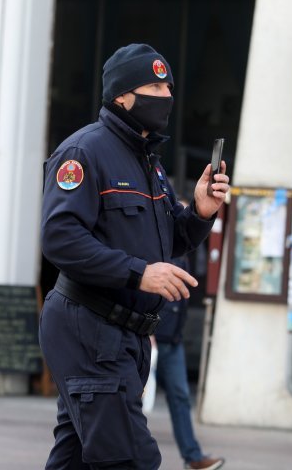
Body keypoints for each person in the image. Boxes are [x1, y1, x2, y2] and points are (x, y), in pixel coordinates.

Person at [39, 43, 230, 469]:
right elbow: (60, 238)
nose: (165, 95)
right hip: (89, 327)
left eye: (168, 85)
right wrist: (138, 274)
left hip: (124, 335)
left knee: (78, 458)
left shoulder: (148, 162)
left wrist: (199, 213)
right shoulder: (84, 153)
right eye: (154, 85)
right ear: (122, 96)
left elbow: (166, 240)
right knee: (132, 458)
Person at [154, 249, 223, 470]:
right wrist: (146, 331)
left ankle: (193, 458)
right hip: (148, 336)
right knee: (128, 399)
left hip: (173, 339)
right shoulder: (156, 235)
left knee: (180, 396)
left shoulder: (185, 244)